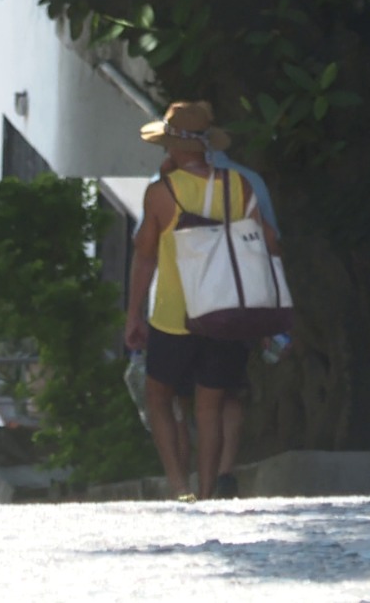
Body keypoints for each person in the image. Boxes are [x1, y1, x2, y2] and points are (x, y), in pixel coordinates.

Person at [125, 100, 280, 501]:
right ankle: (209, 490)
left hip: (174, 314)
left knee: (159, 398)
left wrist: (133, 314)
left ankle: (180, 487)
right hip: (225, 311)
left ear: (173, 147)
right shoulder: (239, 186)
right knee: (209, 407)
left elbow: (145, 256)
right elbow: (268, 242)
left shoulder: (161, 193)